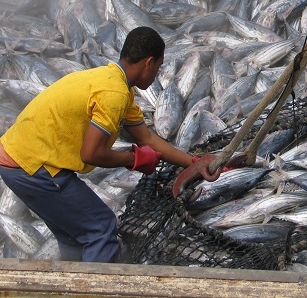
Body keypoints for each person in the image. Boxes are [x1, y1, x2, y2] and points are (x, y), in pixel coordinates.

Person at [0, 26, 196, 263]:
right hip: (31, 167)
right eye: (159, 66)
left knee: (75, 234)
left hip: (15, 157)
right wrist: (133, 159)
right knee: (101, 228)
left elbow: (148, 139)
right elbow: (91, 153)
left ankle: (69, 284)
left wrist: (194, 163)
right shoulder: (114, 93)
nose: (157, 74)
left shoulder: (111, 81)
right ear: (149, 62)